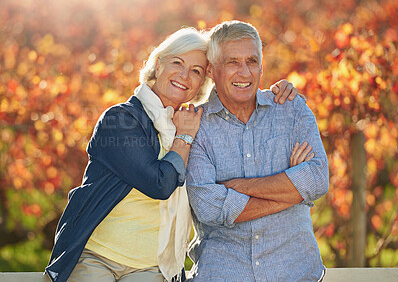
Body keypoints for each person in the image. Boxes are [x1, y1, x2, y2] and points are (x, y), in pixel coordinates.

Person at [45, 26, 298, 282]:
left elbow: (238, 136)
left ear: (202, 83)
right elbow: (159, 183)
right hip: (96, 255)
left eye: (197, 71)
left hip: (152, 267)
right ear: (158, 65)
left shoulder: (196, 123)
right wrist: (183, 138)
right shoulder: (120, 120)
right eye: (177, 62)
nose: (185, 75)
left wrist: (279, 95)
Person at [186, 20, 329, 282]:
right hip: (224, 274)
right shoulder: (196, 126)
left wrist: (237, 186)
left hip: (296, 272)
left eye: (252, 61)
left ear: (262, 67)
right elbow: (210, 208)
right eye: (232, 62)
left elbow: (318, 179)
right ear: (211, 70)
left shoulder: (291, 109)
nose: (244, 72)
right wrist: (292, 191)